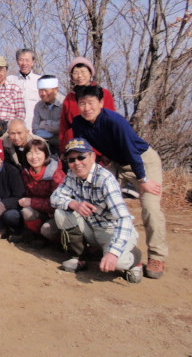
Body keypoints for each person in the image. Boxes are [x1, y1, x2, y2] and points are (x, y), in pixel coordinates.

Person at [71, 85, 167, 279]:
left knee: (150, 207)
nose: (86, 108)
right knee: (97, 198)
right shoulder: (78, 123)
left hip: (142, 161)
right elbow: (83, 152)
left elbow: (132, 152)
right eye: (82, 103)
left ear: (101, 103)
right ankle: (104, 244)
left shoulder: (115, 121)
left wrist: (143, 181)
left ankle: (157, 255)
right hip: (116, 162)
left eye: (91, 103)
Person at [51, 138, 143, 283]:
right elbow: (55, 197)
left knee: (117, 262)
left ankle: (135, 258)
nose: (77, 163)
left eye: (81, 157)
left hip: (111, 231)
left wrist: (113, 253)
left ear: (92, 156)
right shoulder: (72, 175)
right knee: (61, 213)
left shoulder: (106, 180)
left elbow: (124, 219)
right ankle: (79, 257)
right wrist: (74, 204)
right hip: (90, 227)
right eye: (72, 159)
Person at [59, 56, 115, 154]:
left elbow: (111, 121)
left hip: (100, 141)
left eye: (83, 72)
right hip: (75, 143)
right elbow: (64, 125)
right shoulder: (70, 97)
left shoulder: (104, 94)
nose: (80, 76)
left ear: (90, 73)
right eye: (76, 73)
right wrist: (63, 149)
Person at [19, 139, 65, 243]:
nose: (34, 157)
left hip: (57, 214)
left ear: (46, 154)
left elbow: (58, 203)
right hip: (42, 211)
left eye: (38, 153)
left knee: (47, 230)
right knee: (26, 211)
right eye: (29, 153)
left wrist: (32, 202)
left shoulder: (56, 174)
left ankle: (60, 244)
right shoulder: (26, 173)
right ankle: (39, 237)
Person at [6, 49, 40, 130]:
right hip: (15, 130)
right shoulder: (9, 80)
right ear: (17, 61)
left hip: (33, 128)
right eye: (21, 60)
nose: (24, 63)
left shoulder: (39, 80)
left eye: (27, 60)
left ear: (33, 61)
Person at [32, 75, 63, 156]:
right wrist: (53, 130)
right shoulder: (38, 106)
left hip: (62, 145)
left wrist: (43, 124)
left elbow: (61, 127)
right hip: (43, 145)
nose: (43, 94)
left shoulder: (64, 103)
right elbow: (35, 129)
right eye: (40, 91)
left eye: (46, 90)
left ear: (56, 90)